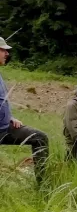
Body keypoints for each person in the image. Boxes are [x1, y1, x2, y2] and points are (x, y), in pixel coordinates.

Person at [0, 36, 49, 183]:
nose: (7, 54)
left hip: (5, 128)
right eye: (3, 50)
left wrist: (10, 117)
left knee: (40, 138)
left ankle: (43, 186)